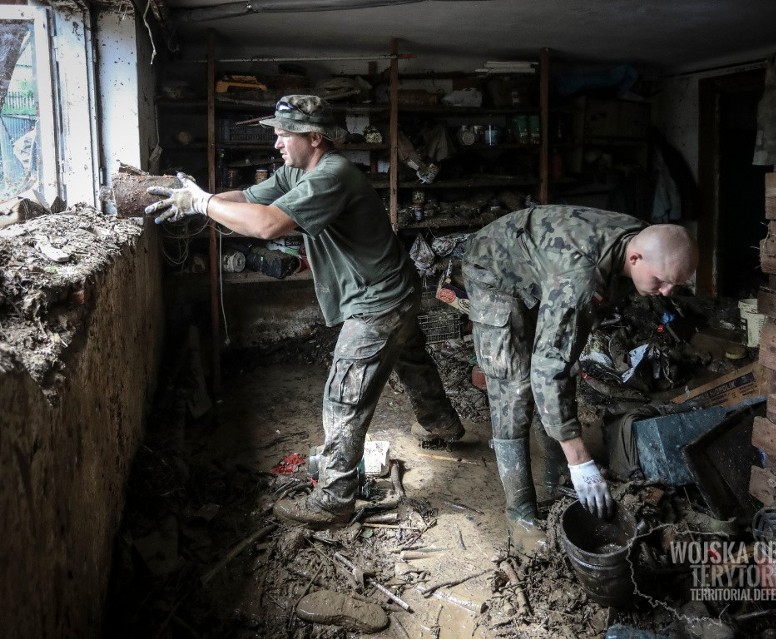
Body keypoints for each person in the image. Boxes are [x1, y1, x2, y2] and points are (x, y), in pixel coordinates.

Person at [145, 94, 465, 527]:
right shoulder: (298, 169)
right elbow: (251, 199)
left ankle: (333, 503)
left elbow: (266, 224)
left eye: (284, 135)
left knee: (344, 396)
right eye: (276, 134)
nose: (276, 143)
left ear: (315, 137)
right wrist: (202, 195)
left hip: (378, 301)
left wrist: (201, 206)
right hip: (396, 287)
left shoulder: (332, 175)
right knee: (411, 359)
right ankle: (443, 426)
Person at [461, 205, 698, 555]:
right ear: (635, 258)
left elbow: (561, 357)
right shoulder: (580, 280)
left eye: (673, 285)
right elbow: (546, 368)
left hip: (541, 263)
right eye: (661, 282)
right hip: (493, 267)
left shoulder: (642, 240)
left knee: (563, 363)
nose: (665, 291)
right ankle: (520, 515)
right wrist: (581, 460)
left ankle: (555, 476)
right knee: (515, 386)